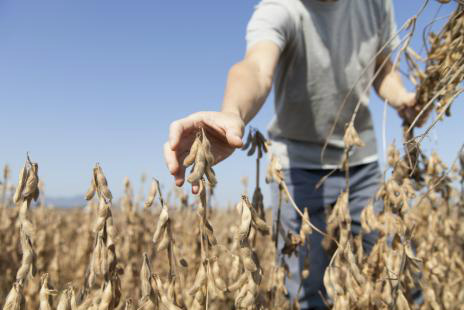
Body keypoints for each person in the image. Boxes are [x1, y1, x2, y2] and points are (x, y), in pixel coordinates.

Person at [164, 0, 418, 309]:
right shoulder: (280, 8)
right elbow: (255, 69)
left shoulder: (376, 4)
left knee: (396, 273)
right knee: (308, 290)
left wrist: (402, 97)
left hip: (362, 164)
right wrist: (232, 114)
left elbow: (383, 68)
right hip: (297, 169)